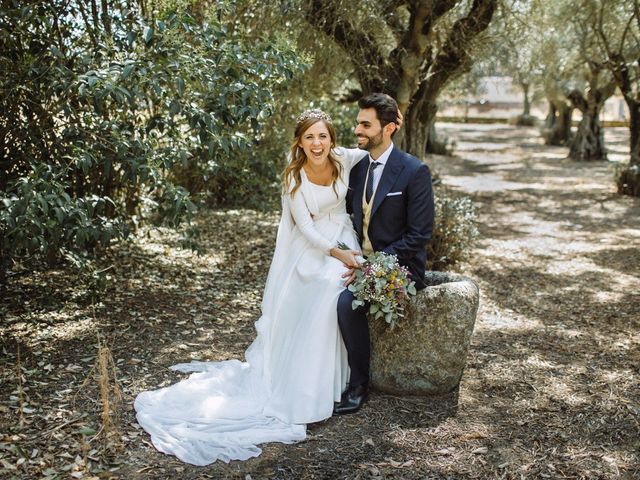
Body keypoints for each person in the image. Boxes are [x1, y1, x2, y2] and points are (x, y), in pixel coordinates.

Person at [134, 109, 368, 465]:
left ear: (331, 139)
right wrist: (338, 253)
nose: (317, 144)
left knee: (336, 288)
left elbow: (375, 155)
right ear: (299, 143)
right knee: (323, 286)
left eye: (322, 136)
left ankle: (338, 383)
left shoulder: (343, 158)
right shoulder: (294, 178)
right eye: (309, 138)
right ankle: (305, 390)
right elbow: (304, 228)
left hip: (342, 233)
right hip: (317, 246)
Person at [333, 93, 434, 415]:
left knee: (348, 304)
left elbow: (419, 235)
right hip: (357, 259)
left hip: (399, 265)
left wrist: (372, 264)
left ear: (388, 128)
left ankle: (358, 385)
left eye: (365, 124)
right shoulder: (357, 167)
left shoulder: (413, 171)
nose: (357, 129)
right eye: (358, 123)